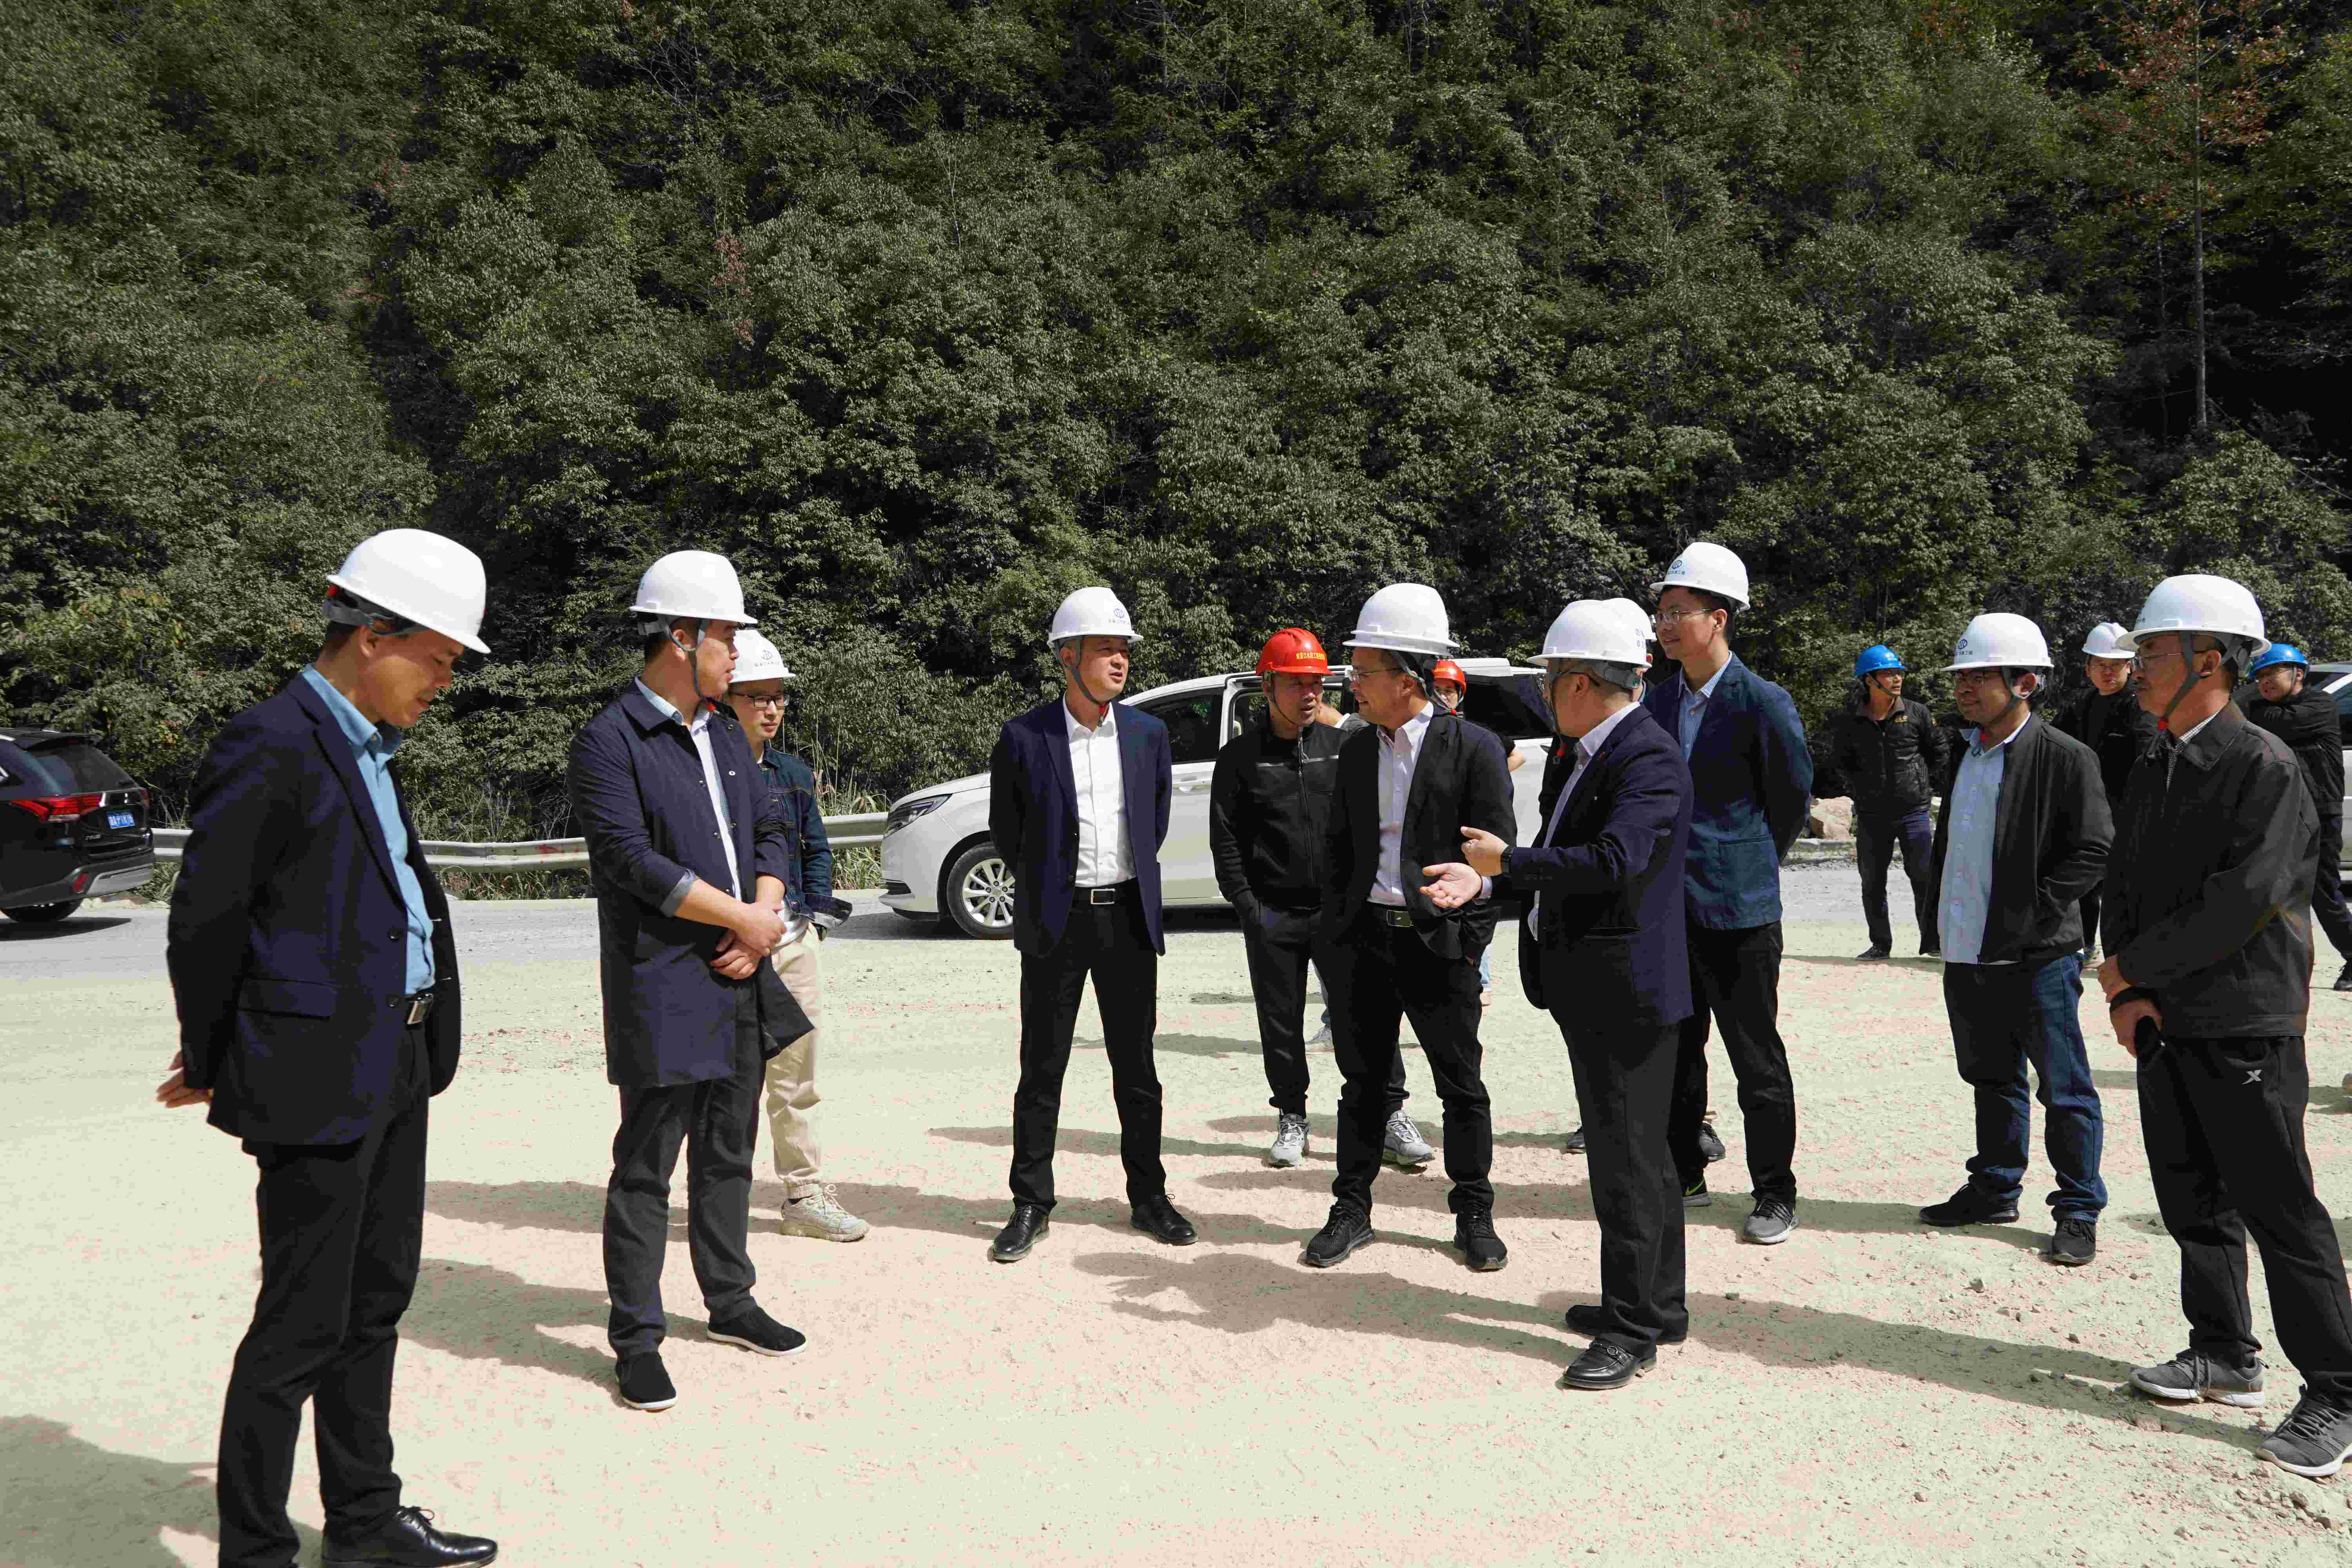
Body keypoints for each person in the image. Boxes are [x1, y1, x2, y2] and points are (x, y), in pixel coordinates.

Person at [158, 529, 499, 1567]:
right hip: (313, 1076)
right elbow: (207, 920)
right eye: (438, 658)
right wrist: (212, 1052)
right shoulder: (272, 740)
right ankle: (256, 1551)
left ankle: (364, 1520)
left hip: (398, 1060)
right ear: (371, 636)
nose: (444, 681)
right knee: (299, 1325)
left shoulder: (371, 747)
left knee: (377, 1301)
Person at [2099, 573, 2352, 1479]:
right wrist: (2125, 988)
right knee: (2191, 1195)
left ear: (2210, 660)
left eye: (2151, 652)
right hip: (2166, 1014)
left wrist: (2134, 967)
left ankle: (2337, 1390)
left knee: (2278, 1206)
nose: (2136, 667)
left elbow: (2245, 899)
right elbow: (2123, 879)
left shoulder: (2266, 767)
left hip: (2245, 1018)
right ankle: (2223, 1351)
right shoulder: (2158, 758)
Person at [567, 550, 813, 1414]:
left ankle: (730, 1301)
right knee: (646, 1165)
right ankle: (637, 1337)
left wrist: (763, 915)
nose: (737, 653)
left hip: (741, 971)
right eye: (727, 636)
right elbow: (630, 860)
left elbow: (773, 828)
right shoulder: (608, 741)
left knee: (728, 1150)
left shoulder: (726, 734)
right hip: (662, 980)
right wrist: (740, 919)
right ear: (681, 636)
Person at [1426, 600, 1693, 1390]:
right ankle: (1656, 1304)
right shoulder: (1590, 751)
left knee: (1627, 1163)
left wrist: (1508, 863)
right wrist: (1491, 879)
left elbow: (1613, 860)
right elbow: (1561, 858)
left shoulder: (1646, 755)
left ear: (1580, 682)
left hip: (1628, 993)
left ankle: (1632, 1329)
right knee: (1641, 1155)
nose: (1544, 694)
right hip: (1599, 987)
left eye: (1549, 679)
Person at [1303, 584, 1515, 1271]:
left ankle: (1474, 1212)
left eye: (1364, 671)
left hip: (1439, 943)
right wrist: (1335, 939)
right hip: (1364, 943)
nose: (1352, 684)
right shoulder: (1357, 751)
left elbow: (1495, 860)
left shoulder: (1475, 748)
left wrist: (1470, 942)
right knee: (1362, 1087)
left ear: (1406, 678)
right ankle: (1351, 1209)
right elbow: (1340, 851)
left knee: (1462, 1087)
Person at [986, 586, 1194, 1261]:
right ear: (1067, 657)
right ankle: (1031, 1203)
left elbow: (1153, 821)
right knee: (1041, 1068)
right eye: (1106, 649)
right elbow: (1009, 831)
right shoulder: (1025, 737)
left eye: (1124, 649)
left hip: (1127, 917)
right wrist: (1052, 884)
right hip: (1058, 920)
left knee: (1138, 1068)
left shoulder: (1148, 735)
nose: (1120, 660)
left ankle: (1149, 1197)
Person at [1917, 614, 2111, 1266]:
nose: (1964, 689)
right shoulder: (1966, 752)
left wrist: (2036, 911)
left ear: (2026, 683)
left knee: (2065, 1088)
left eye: (1980, 676)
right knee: (1991, 1078)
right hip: (1968, 949)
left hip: (2037, 956)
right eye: (1961, 677)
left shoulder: (2066, 757)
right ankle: (1995, 1188)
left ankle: (2078, 1208)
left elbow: (2093, 849)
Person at [1641, 542, 1813, 1242]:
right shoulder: (1657, 701)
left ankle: (1775, 1192)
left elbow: (1790, 802)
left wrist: (1743, 863)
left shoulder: (1763, 702)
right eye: (1661, 612)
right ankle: (1685, 1173)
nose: (1665, 624)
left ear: (1718, 619)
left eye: (1678, 611)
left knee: (1756, 1057)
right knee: (1678, 1050)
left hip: (1740, 914)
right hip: (1670, 912)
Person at [1210, 629, 1426, 1168]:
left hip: (1342, 914)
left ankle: (1391, 1114)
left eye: (1316, 684)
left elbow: (1373, 827)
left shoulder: (1348, 746)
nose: (1309, 694)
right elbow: (1226, 843)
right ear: (1267, 685)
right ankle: (1292, 1117)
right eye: (1296, 683)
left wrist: (1358, 900)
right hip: (1273, 914)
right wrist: (1250, 909)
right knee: (1280, 1025)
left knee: (1368, 1018)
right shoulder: (1239, 759)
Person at [722, 630, 864, 1241]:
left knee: (795, 1075)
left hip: (791, 938)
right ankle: (720, 1197)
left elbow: (817, 850)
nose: (771, 709)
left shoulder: (794, 773)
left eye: (778, 697)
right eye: (757, 697)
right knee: (726, 1079)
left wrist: (812, 925)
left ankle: (803, 1194)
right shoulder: (703, 773)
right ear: (725, 699)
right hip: (727, 945)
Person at [2238, 642, 2352, 993]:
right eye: (2259, 676)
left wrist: (2243, 709)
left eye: (2272, 673)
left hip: (2319, 812)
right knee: (2265, 885)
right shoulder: (2258, 707)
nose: (2264, 682)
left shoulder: (2320, 705)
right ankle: (2267, 966)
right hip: (2278, 810)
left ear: (2298, 673)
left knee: (2323, 891)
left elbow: (2272, 723)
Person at [1826, 644, 1950, 960]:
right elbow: (1841, 762)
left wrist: (1920, 783)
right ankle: (1880, 945)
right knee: (1872, 882)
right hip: (1871, 815)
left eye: (1899, 673)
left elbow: (1939, 752)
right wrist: (1861, 790)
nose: (1897, 679)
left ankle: (1933, 943)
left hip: (1913, 811)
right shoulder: (1851, 720)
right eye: (1889, 674)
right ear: (1869, 680)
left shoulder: (1918, 713)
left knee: (1923, 878)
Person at [2051, 621, 2156, 962]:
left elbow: (2148, 759)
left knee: (2119, 888)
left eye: (2116, 665)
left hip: (2124, 812)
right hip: (2085, 810)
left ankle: (2121, 954)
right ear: (2088, 669)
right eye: (2100, 665)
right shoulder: (2081, 705)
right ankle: (2085, 946)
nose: (2108, 672)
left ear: (2130, 666)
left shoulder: (2140, 705)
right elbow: (2051, 743)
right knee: (2082, 882)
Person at [1433, 656, 1526, 1010]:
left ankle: (1479, 977)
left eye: (1449, 690)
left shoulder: (1478, 734)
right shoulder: (1422, 734)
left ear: (1460, 695)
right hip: (1441, 833)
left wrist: (1488, 776)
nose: (1443, 696)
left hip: (1473, 831)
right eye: (1437, 689)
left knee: (1477, 896)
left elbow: (1517, 756)